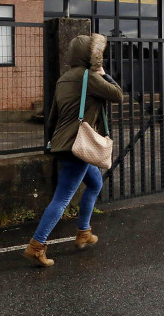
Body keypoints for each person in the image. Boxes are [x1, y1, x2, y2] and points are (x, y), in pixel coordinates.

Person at [23, 33, 123, 267]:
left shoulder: (63, 79)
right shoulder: (88, 77)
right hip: (77, 147)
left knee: (95, 184)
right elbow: (117, 95)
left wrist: (51, 141)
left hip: (62, 144)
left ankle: (84, 232)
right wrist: (104, 74)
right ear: (91, 55)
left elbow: (52, 117)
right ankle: (36, 246)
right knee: (63, 198)